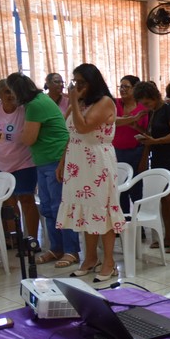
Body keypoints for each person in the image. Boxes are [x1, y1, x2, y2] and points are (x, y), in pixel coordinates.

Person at [56, 63, 124, 282]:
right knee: (85, 212)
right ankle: (90, 258)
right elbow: (71, 133)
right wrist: (62, 162)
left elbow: (84, 127)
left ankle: (109, 262)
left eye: (82, 82)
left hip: (97, 163)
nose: (77, 86)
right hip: (77, 162)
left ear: (93, 82)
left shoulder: (105, 102)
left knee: (101, 211)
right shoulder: (80, 103)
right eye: (75, 82)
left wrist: (74, 101)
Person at [7, 72, 79, 268]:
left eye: (10, 92)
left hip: (56, 159)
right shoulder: (35, 103)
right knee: (47, 208)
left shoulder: (36, 105)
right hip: (43, 161)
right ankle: (56, 248)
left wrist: (12, 134)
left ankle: (71, 250)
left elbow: (29, 139)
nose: (9, 97)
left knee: (60, 207)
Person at [0, 79, 40, 249]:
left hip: (24, 162)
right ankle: (13, 238)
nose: (10, 95)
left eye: (13, 91)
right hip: (1, 164)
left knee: (26, 199)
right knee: (8, 202)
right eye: (6, 91)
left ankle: (32, 239)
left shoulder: (25, 110)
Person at [132, 81, 170, 252]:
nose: (145, 106)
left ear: (154, 97)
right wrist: (137, 127)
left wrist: (157, 141)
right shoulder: (154, 112)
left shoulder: (168, 109)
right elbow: (151, 136)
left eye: (147, 102)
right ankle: (168, 236)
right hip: (159, 158)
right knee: (163, 199)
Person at [113, 75, 148, 211]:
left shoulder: (142, 108)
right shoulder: (115, 104)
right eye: (120, 86)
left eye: (126, 86)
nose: (122, 89)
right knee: (120, 190)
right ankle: (123, 223)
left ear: (135, 89)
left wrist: (135, 125)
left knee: (136, 189)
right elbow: (110, 121)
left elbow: (146, 134)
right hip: (116, 152)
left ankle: (138, 226)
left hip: (135, 153)